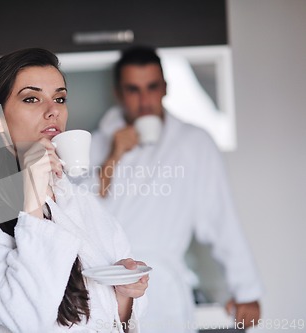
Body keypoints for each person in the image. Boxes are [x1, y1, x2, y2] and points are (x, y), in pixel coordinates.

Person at [0, 48, 149, 333]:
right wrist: (32, 204)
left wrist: (126, 294)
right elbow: (26, 319)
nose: (53, 110)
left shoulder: (76, 199)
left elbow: (110, 318)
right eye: (31, 98)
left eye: (60, 98)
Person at [87, 46, 263, 332]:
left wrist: (247, 291)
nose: (144, 101)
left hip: (163, 288)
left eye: (152, 87)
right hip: (105, 290)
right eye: (133, 90)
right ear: (118, 93)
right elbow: (82, 215)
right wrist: (113, 156)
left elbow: (221, 218)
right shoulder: (96, 145)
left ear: (165, 88)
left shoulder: (195, 143)